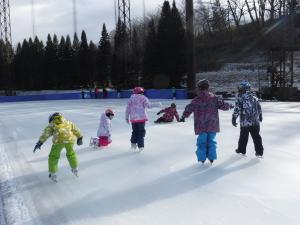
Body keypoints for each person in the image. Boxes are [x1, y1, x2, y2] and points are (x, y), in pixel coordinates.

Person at [180, 79, 233, 164]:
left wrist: (184, 116)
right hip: (212, 124)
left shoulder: (196, 100)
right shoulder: (214, 98)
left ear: (199, 88)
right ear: (208, 88)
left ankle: (202, 158)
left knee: (201, 142)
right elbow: (223, 105)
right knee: (211, 141)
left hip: (201, 125)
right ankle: (211, 157)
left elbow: (189, 108)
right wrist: (230, 106)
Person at [33, 112, 83, 182]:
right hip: (70, 140)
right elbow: (76, 129)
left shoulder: (52, 124)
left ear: (51, 119)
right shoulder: (68, 122)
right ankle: (75, 168)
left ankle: (53, 173)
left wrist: (40, 142)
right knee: (71, 154)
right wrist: (80, 137)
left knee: (53, 156)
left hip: (58, 141)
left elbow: (46, 134)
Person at [232, 81, 264, 158]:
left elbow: (237, 109)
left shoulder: (240, 97)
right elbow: (259, 107)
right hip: (255, 122)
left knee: (243, 137)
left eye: (240, 88)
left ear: (244, 89)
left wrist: (234, 118)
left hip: (245, 122)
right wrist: (260, 115)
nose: (239, 90)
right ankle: (259, 152)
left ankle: (241, 150)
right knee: (256, 137)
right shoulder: (254, 97)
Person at [125, 87, 161, 151]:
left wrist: (126, 117)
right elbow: (148, 106)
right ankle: (140, 146)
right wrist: (157, 104)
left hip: (133, 119)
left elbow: (128, 109)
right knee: (141, 132)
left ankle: (133, 143)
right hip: (141, 119)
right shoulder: (143, 98)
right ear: (141, 92)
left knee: (134, 131)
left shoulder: (131, 99)